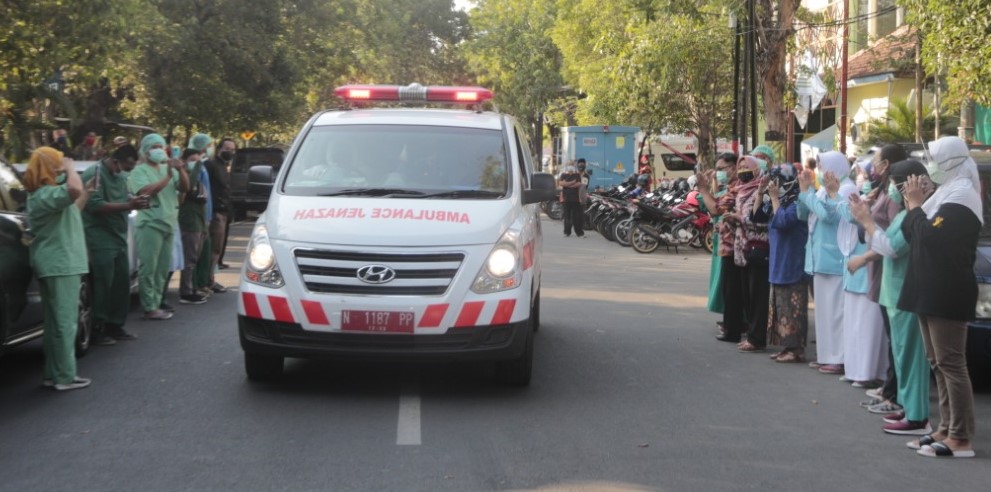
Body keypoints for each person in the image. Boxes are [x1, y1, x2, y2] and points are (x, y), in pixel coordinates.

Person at [900, 136, 980, 458]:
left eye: (934, 158)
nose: (929, 165)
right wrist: (913, 204)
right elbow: (912, 234)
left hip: (947, 290)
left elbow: (931, 239)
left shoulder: (962, 195)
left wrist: (918, 206)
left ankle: (961, 438)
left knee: (951, 362)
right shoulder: (945, 193)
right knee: (937, 362)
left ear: (950, 162)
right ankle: (946, 428)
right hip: (928, 287)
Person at [849, 159, 932, 436]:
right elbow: (882, 244)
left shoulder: (918, 215)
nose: (895, 188)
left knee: (911, 357)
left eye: (899, 183)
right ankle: (906, 407)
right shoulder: (903, 215)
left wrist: (868, 221)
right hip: (892, 291)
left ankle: (918, 415)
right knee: (899, 354)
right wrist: (867, 220)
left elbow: (892, 248)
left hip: (906, 292)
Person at [23, 147, 91, 390]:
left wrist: (87, 192)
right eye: (59, 162)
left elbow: (72, 205)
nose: (64, 165)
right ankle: (64, 376)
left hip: (55, 263)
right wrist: (71, 169)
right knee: (65, 322)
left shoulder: (45, 195)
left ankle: (54, 373)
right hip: (61, 264)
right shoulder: (46, 194)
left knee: (55, 323)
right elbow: (73, 190)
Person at [857, 144, 909, 415]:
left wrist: (866, 222)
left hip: (889, 268)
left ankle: (894, 393)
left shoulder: (895, 197)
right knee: (893, 337)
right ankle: (891, 388)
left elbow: (891, 239)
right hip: (883, 269)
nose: (872, 166)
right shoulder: (884, 189)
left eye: (876, 161)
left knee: (897, 339)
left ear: (888, 164)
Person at [80, 144, 149, 345]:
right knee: (103, 284)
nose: (128, 170)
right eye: (126, 166)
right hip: (99, 237)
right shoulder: (96, 173)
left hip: (118, 237)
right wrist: (129, 205)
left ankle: (115, 325)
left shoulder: (120, 176)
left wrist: (135, 199)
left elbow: (124, 196)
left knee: (121, 283)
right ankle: (98, 328)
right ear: (116, 160)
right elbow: (94, 205)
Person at [797, 151, 852, 375]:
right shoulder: (821, 190)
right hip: (818, 258)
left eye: (823, 166)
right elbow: (804, 214)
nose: (820, 171)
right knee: (823, 313)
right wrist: (806, 192)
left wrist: (806, 194)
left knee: (836, 312)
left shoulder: (845, 189)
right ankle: (826, 355)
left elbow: (828, 215)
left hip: (834, 258)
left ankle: (838, 358)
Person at [128, 133, 189, 320]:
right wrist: (169, 176)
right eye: (154, 147)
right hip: (150, 223)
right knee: (149, 267)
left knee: (163, 267)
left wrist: (182, 170)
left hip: (169, 222)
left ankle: (158, 300)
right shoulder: (139, 171)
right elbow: (146, 191)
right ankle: (149, 306)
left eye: (161, 146)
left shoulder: (167, 168)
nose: (158, 150)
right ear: (145, 150)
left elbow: (185, 188)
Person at [764, 164, 810, 362]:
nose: (774, 185)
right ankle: (786, 346)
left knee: (793, 307)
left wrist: (774, 199)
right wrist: (763, 195)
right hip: (778, 261)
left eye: (777, 181)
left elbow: (783, 222)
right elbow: (758, 215)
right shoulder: (783, 200)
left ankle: (796, 349)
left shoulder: (799, 202)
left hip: (793, 261)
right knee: (781, 306)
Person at [731, 156, 771, 352]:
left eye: (747, 167)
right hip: (742, 249)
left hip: (758, 249)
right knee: (748, 295)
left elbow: (764, 221)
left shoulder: (762, 191)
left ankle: (757, 338)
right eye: (741, 166)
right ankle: (752, 336)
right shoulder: (740, 190)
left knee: (758, 297)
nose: (742, 170)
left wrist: (740, 218)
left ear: (757, 170)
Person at [699, 153, 736, 319]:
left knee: (730, 285)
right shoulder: (728, 188)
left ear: (734, 167)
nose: (718, 172)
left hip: (733, 244)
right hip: (723, 241)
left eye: (721, 169)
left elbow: (715, 209)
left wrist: (703, 189)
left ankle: (734, 322)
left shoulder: (737, 188)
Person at [177, 148, 210, 304]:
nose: (197, 164)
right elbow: (186, 190)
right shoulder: (184, 177)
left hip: (199, 220)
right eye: (193, 160)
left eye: (199, 160)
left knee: (195, 256)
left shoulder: (198, 179)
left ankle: (191, 287)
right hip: (189, 221)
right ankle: (186, 291)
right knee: (189, 257)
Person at [187, 133, 215, 299]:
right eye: (207, 145)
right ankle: (195, 285)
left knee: (205, 250)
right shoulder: (195, 164)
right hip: (198, 215)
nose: (208, 148)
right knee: (195, 253)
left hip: (206, 214)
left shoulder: (202, 164)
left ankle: (202, 283)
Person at [205, 138, 234, 288]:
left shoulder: (224, 166)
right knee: (213, 249)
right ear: (219, 149)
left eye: (232, 150)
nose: (230, 152)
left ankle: (209, 279)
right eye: (227, 149)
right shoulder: (211, 165)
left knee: (218, 249)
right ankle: (207, 280)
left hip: (224, 212)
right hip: (215, 212)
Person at [558, 162, 585, 238]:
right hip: (566, 199)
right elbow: (561, 183)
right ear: (567, 167)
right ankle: (567, 232)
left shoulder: (577, 175)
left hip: (575, 199)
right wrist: (572, 182)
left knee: (576, 217)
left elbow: (578, 184)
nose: (571, 167)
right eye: (569, 165)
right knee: (567, 217)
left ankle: (579, 233)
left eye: (572, 165)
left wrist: (567, 184)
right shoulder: (563, 175)